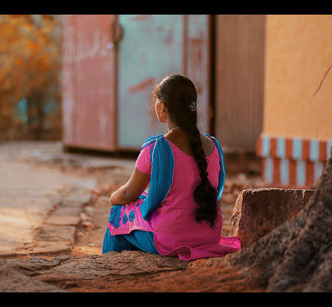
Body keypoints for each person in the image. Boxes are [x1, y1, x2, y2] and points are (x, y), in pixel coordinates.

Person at [102, 74, 241, 261]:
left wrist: (112, 198)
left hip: (171, 241)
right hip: (209, 237)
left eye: (157, 100)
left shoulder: (157, 148)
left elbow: (128, 193)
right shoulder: (214, 146)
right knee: (143, 205)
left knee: (119, 213)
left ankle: (110, 268)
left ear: (163, 107)